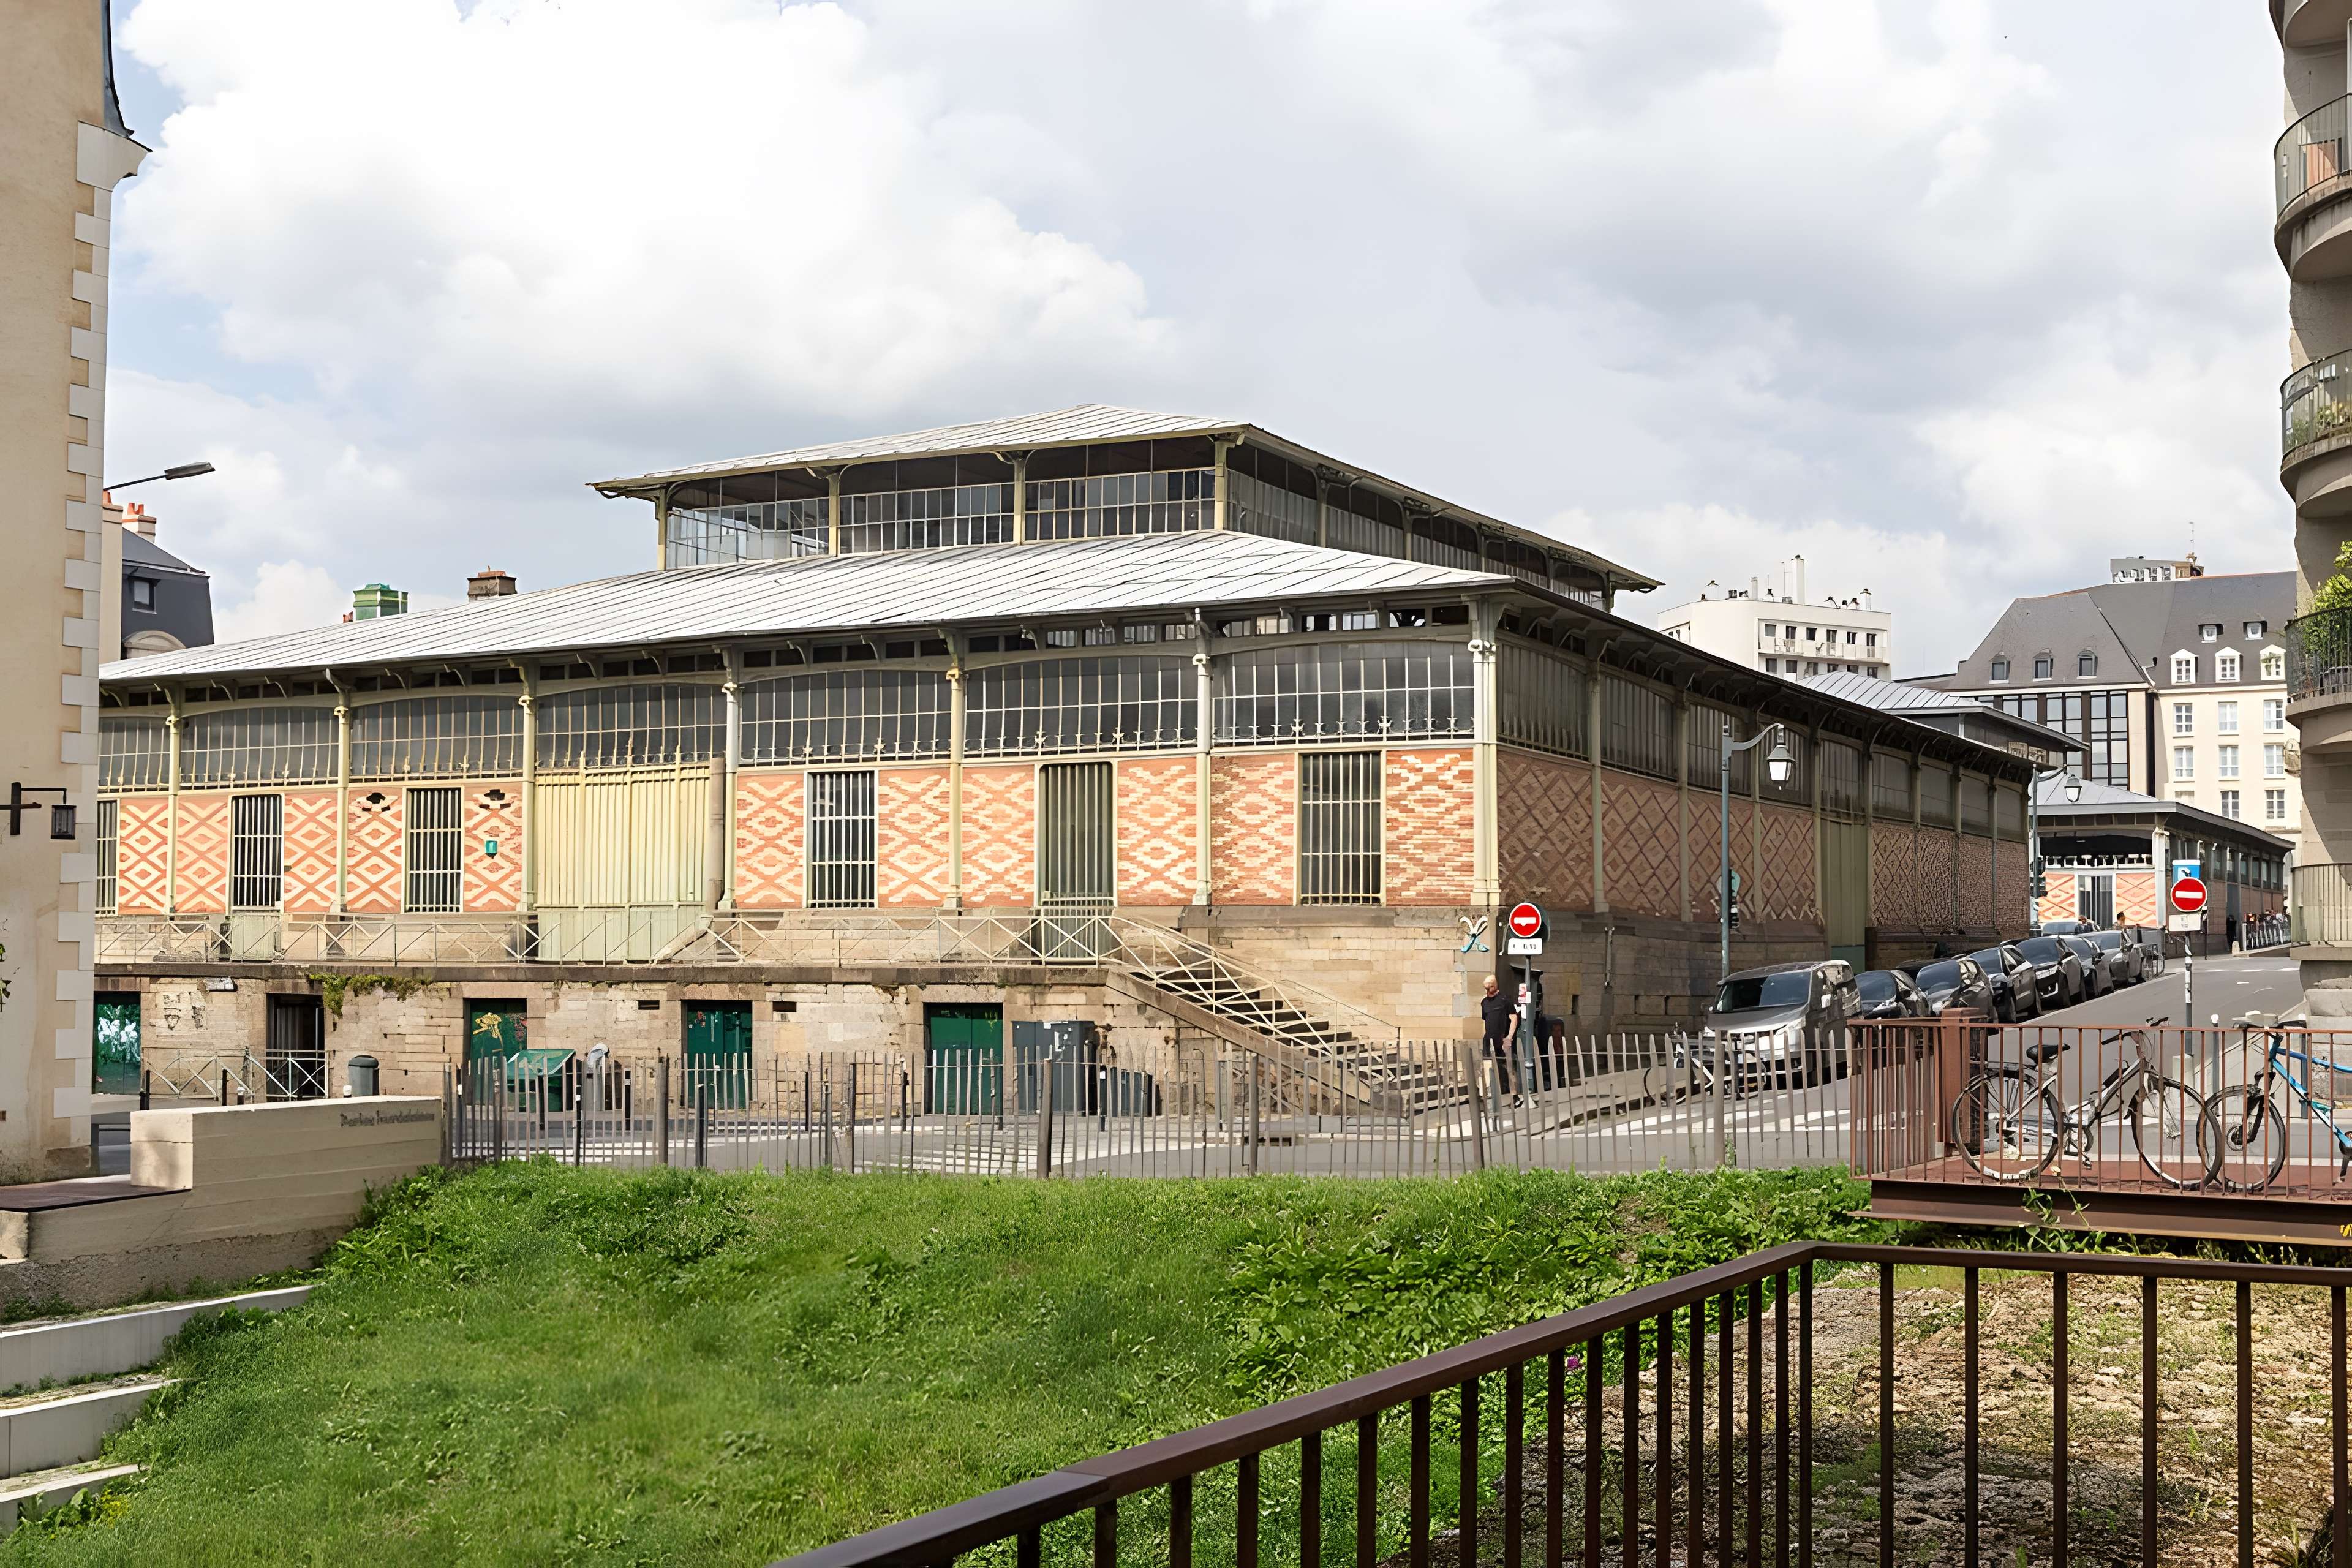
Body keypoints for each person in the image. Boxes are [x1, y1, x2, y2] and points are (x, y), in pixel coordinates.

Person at [1480, 974, 1521, 1104]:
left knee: (1509, 1067)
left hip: (1503, 1040)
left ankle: (1515, 1096)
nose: (1487, 991)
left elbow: (1514, 1019)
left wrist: (1509, 1038)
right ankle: (1484, 1095)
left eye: (1489, 988)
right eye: (1485, 989)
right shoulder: (1484, 1002)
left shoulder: (1505, 1000)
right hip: (1489, 1040)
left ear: (1495, 986)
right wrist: (1485, 1035)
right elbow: (1485, 1021)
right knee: (1487, 1066)